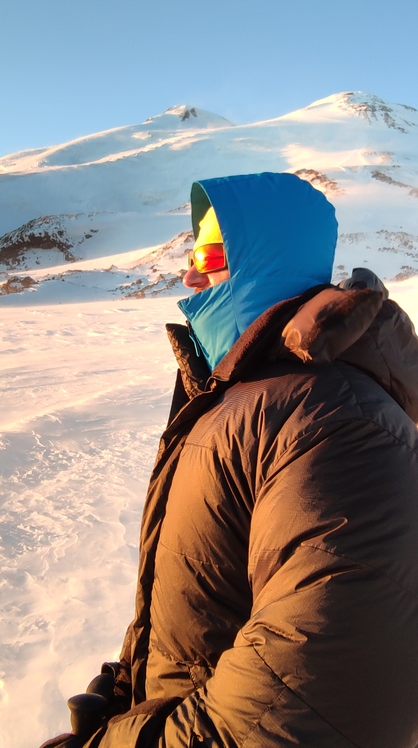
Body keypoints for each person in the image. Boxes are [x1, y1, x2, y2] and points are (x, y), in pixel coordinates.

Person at [42, 172, 418, 748]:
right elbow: (211, 594)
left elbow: (303, 710)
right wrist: (130, 681)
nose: (189, 275)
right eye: (191, 253)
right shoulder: (242, 399)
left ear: (270, 258)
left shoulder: (334, 427)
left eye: (210, 254)